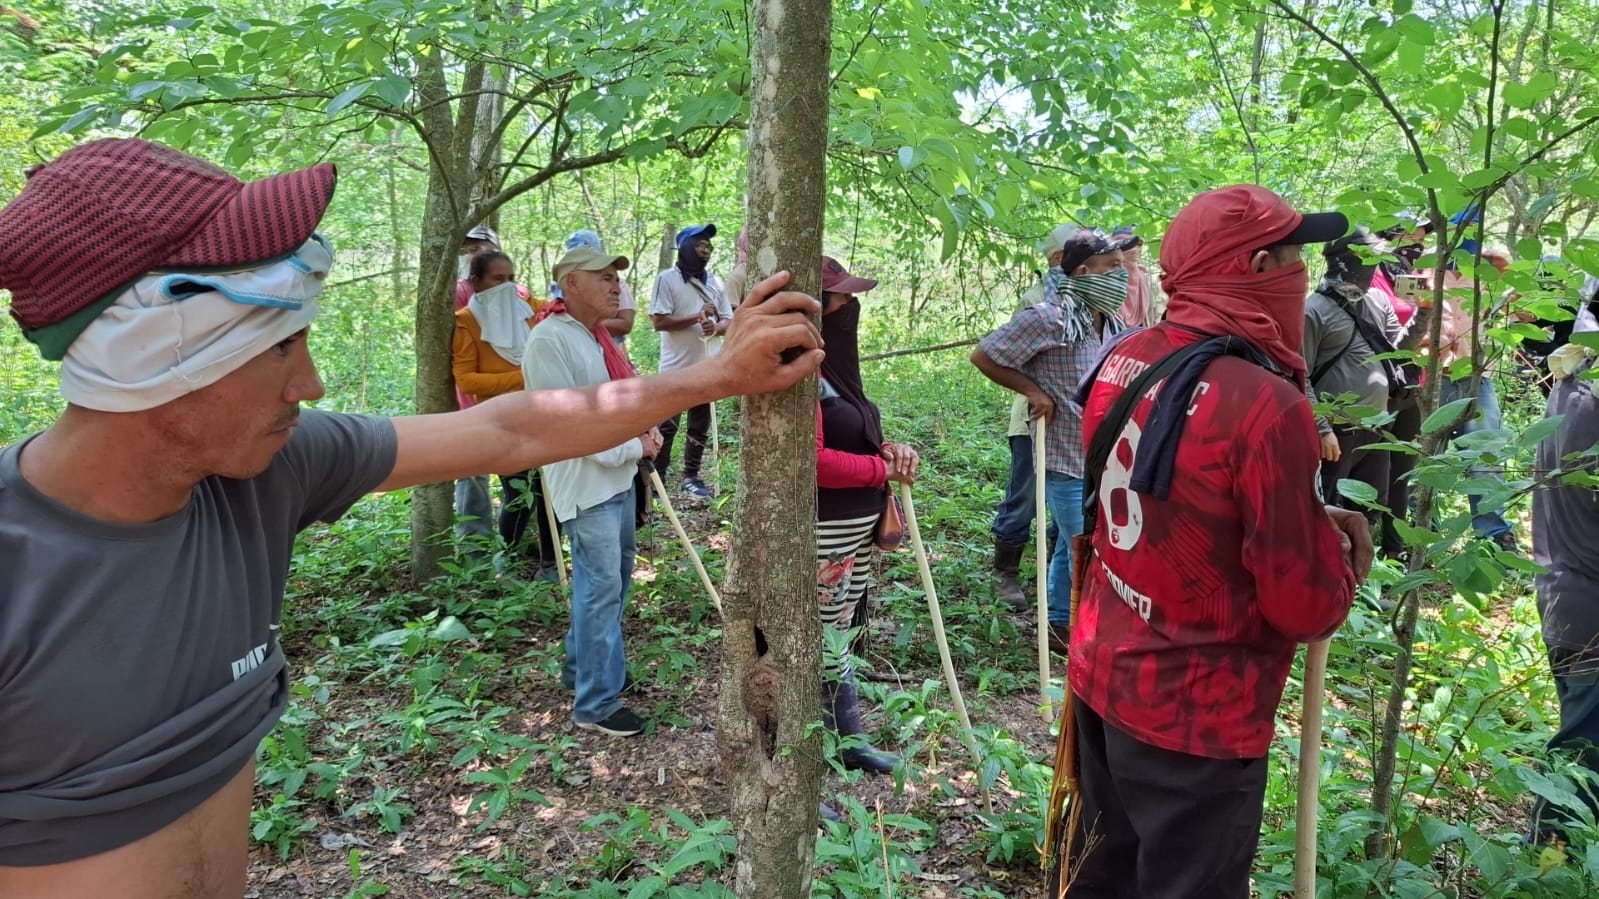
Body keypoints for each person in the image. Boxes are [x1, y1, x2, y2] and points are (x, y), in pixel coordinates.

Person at [0, 137, 824, 894]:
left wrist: (715, 376)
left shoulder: (270, 470)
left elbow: (508, 428)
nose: (311, 385)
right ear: (150, 356)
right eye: (277, 347)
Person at [1061, 184, 1372, 897]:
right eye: (1294, 255)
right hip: (1195, 712)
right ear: (1258, 266)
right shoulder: (1265, 403)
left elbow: (1163, 505)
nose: (1303, 272)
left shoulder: (1125, 357)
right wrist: (1338, 559)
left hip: (1103, 668)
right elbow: (1302, 604)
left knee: (1103, 874)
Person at [971, 229, 1131, 654]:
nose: (1122, 274)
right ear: (1083, 271)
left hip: (1103, 456)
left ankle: (1062, 619)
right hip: (1063, 453)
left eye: (1123, 266)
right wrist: (1033, 391)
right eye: (1112, 267)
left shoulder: (1110, 320)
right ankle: (1066, 625)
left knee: (1071, 539)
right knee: (1083, 541)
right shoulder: (1049, 316)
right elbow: (985, 354)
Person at [524, 246, 662, 737]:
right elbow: (569, 428)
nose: (614, 286)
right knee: (600, 590)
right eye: (602, 277)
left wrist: (641, 431)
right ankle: (596, 704)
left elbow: (616, 409)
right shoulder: (549, 341)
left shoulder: (597, 338)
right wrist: (635, 444)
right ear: (571, 282)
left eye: (615, 278)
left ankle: (583, 672)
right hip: (586, 486)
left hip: (616, 480)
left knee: (612, 585)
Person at [813, 255, 918, 775]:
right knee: (821, 636)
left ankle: (849, 741)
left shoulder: (836, 370)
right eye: (838, 299)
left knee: (838, 631)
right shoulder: (799, 371)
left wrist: (890, 451)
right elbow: (810, 462)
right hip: (825, 528)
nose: (849, 308)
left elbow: (853, 434)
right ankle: (816, 753)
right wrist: (878, 470)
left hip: (855, 528)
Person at [1528, 298, 1599, 846]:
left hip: (1563, 592)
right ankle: (1549, 856)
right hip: (1588, 604)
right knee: (1581, 751)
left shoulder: (1572, 382)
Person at [451, 250, 561, 581]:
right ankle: (509, 561)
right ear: (476, 282)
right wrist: (524, 376)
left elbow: (562, 308)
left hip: (542, 415)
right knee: (517, 493)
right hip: (501, 420)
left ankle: (551, 563)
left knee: (549, 492)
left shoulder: (529, 311)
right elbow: (467, 379)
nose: (505, 285)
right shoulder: (465, 322)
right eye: (497, 279)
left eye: (510, 278)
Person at [1302, 228, 1422, 519]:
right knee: (1326, 507)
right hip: (1336, 431)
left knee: (1369, 510)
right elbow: (1298, 374)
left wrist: (1425, 313)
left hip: (1378, 426)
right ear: (1347, 260)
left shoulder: (1378, 301)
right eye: (1368, 259)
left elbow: (1398, 353)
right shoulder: (1313, 310)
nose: (1373, 267)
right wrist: (1322, 429)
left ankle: (1364, 564)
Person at [988, 226, 1075, 611]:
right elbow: (1005, 356)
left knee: (1068, 505)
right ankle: (1006, 572)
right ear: (1058, 259)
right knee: (1025, 497)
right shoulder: (1036, 301)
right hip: (1034, 422)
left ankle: (1058, 584)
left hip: (1075, 428)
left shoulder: (1091, 303)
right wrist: (1038, 393)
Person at [650, 223, 734, 500]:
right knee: (667, 425)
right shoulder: (667, 279)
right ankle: (656, 479)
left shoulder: (715, 282)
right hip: (675, 368)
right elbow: (659, 321)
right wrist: (696, 317)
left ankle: (691, 477)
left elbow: (728, 321)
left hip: (707, 365)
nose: (705, 251)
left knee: (699, 424)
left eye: (708, 246)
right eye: (699, 245)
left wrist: (715, 328)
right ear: (685, 247)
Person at [451, 223, 518, 557]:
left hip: (515, 406)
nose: (472, 253)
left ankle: (514, 546)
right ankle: (474, 553)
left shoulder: (514, 294)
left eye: (479, 247)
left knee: (519, 475)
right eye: (467, 248)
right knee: (473, 475)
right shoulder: (461, 292)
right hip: (471, 403)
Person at [557, 229, 637, 343]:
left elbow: (626, 324)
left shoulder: (618, 284)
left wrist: (586, 323)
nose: (616, 290)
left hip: (608, 347)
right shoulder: (560, 284)